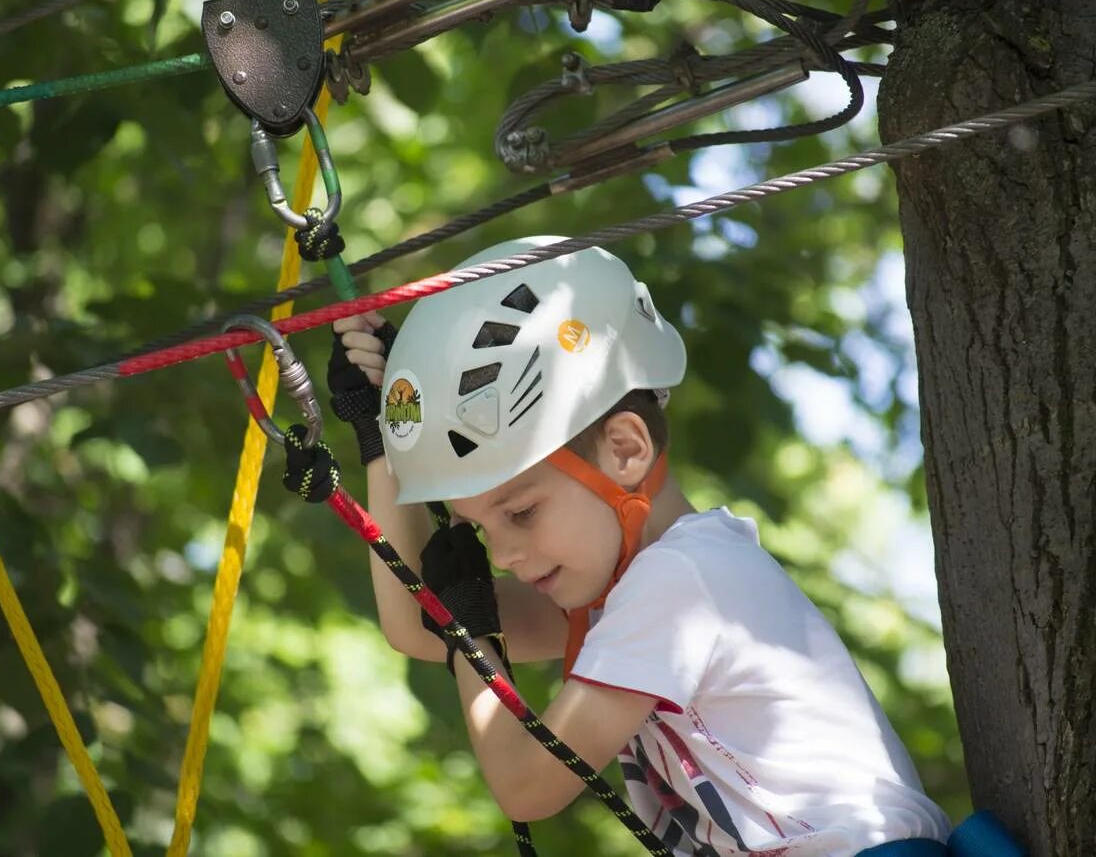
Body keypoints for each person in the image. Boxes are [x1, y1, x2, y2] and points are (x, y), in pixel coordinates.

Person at [326, 235, 952, 856]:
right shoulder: (619, 594)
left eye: (521, 511)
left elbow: (526, 785)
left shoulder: (680, 584)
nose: (505, 554)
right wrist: (380, 439)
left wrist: (473, 625)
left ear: (625, 449)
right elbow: (419, 624)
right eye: (483, 528)